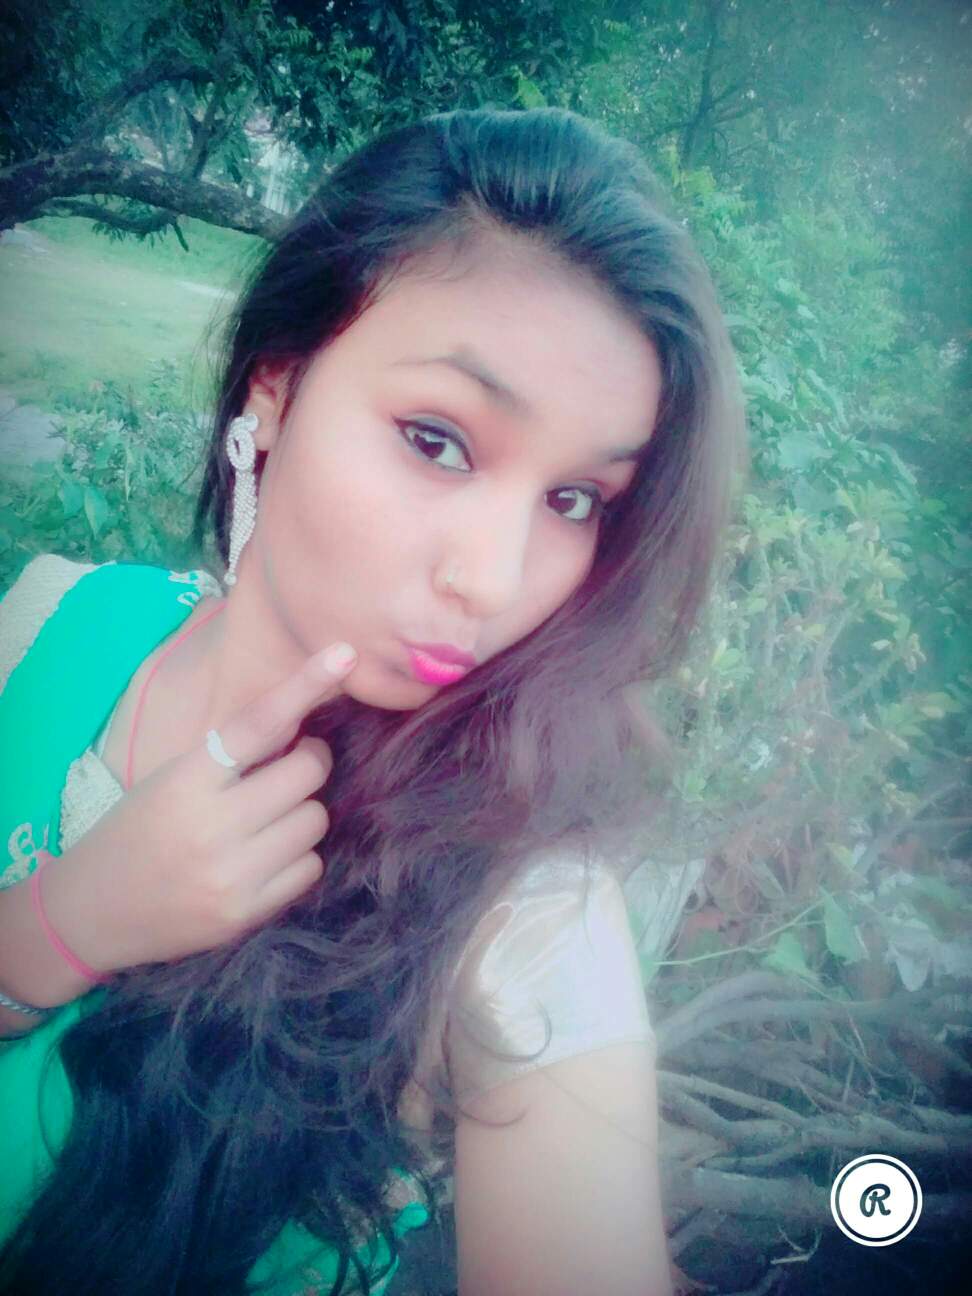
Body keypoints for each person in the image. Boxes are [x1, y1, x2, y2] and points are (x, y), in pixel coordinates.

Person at [0, 107, 744, 1295]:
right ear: (276, 385)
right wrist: (57, 928)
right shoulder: (52, 621)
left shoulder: (523, 913)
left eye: (575, 501)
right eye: (438, 440)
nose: (493, 580)